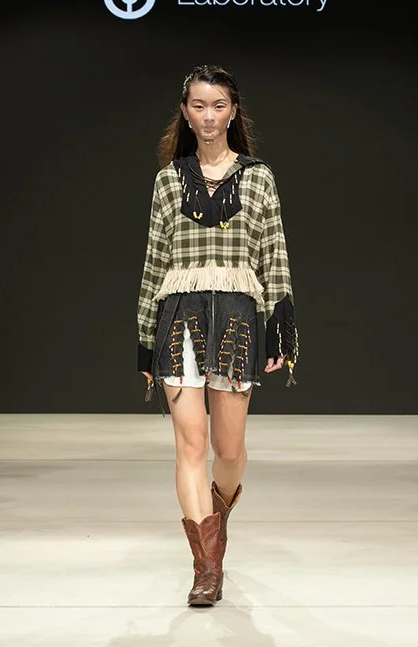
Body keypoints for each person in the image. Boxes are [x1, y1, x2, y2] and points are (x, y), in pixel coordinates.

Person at [136, 64, 300, 606]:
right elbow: (154, 262)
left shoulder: (258, 178)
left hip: (236, 319)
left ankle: (217, 516)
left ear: (233, 112)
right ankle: (207, 568)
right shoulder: (168, 180)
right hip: (178, 318)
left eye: (218, 106)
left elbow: (274, 254)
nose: (208, 116)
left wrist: (281, 330)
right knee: (191, 443)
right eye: (198, 106)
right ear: (185, 113)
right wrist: (144, 340)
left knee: (229, 449)